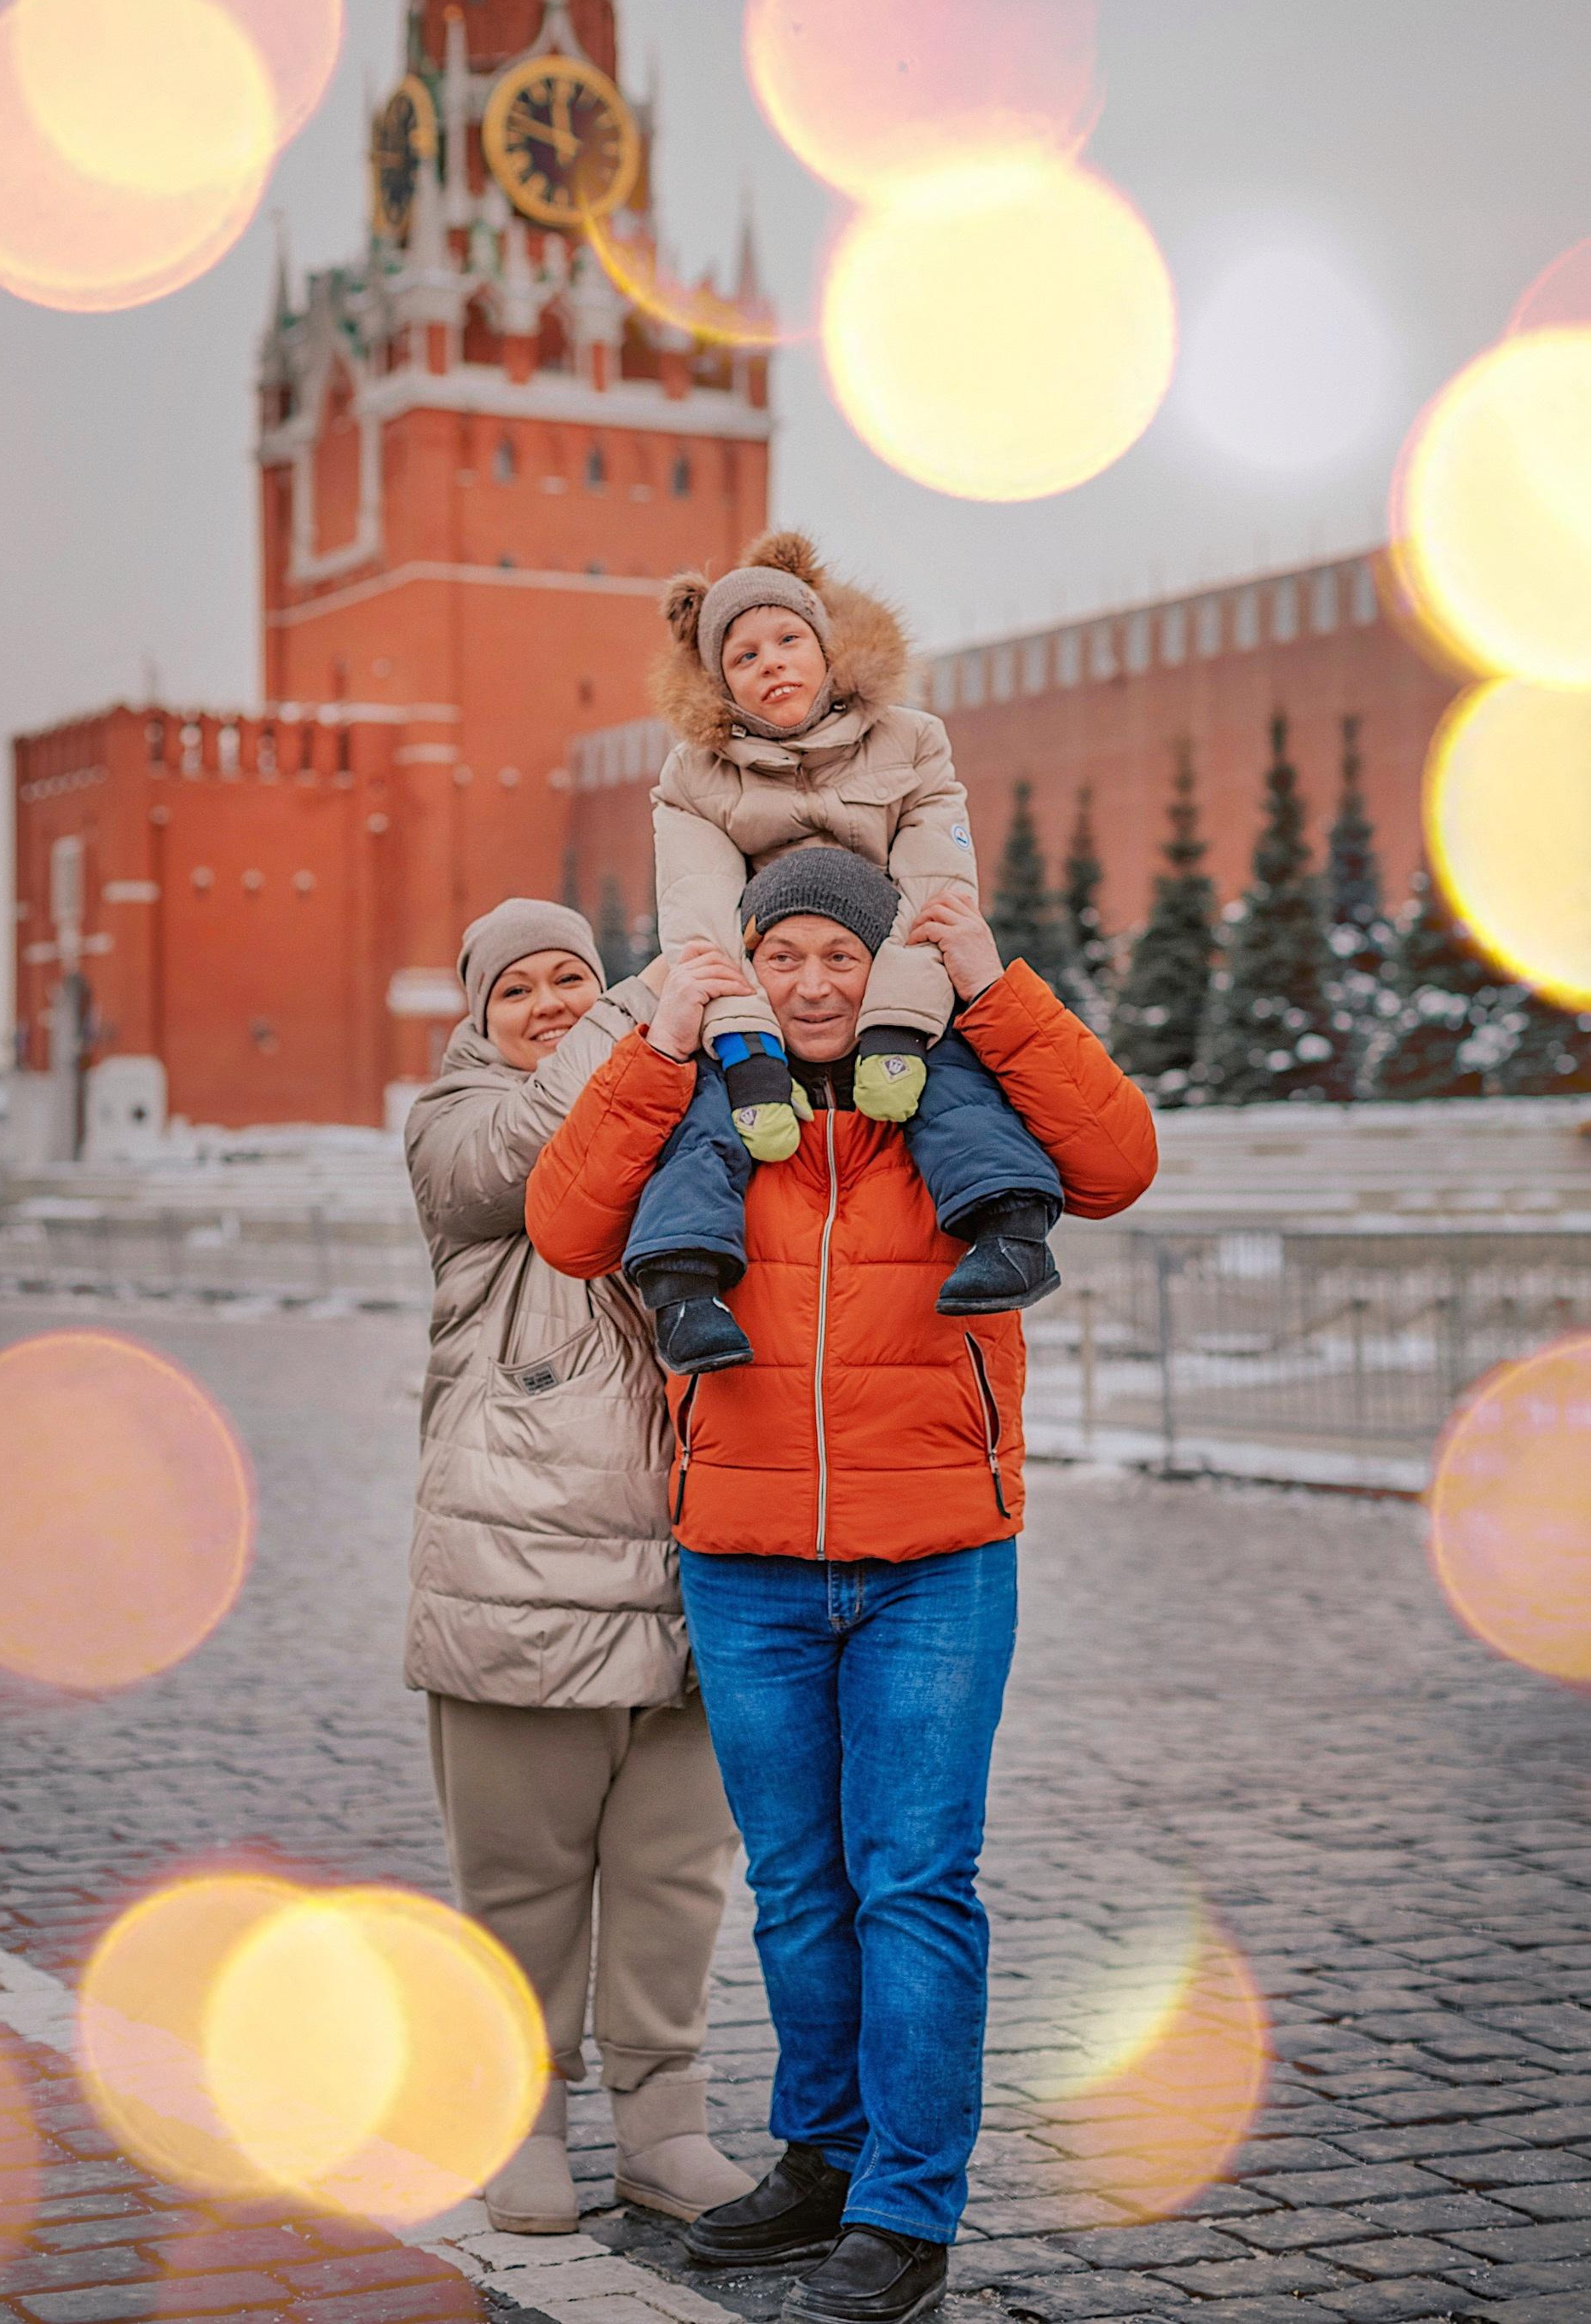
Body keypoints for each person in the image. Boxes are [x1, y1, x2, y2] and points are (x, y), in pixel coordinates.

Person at [526, 858, 1156, 2324]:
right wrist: (657, 1037)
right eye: (785, 955)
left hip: (936, 1559)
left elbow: (1117, 1163)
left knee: (914, 1883)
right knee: (801, 1891)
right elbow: (567, 1228)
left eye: (841, 957)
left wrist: (992, 982)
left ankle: (907, 2206)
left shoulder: (953, 1103)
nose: (814, 982)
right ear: (750, 967)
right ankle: (821, 2155)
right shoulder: (703, 1107)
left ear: (883, 973)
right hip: (745, 1565)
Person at [404, 898, 755, 2236]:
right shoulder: (456, 1122)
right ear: (478, 1021)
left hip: (690, 1571)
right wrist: (640, 1007)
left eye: (573, 977)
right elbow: (517, 1153)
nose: (551, 1001)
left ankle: (663, 2125)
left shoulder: (678, 1100)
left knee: (674, 1877)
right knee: (521, 1881)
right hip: (518, 1577)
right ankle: (522, 2119)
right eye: (518, 991)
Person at [636, 530, 1065, 1377]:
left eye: (788, 639)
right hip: (768, 990)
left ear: (827, 644)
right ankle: (684, 1290)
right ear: (718, 679)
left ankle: (1012, 1232)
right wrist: (746, 1051)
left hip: (891, 968)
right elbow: (700, 925)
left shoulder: (910, 741)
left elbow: (936, 889)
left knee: (957, 1084)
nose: (771, 663)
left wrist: (900, 1027)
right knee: (700, 1121)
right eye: (744, 654)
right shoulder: (693, 778)